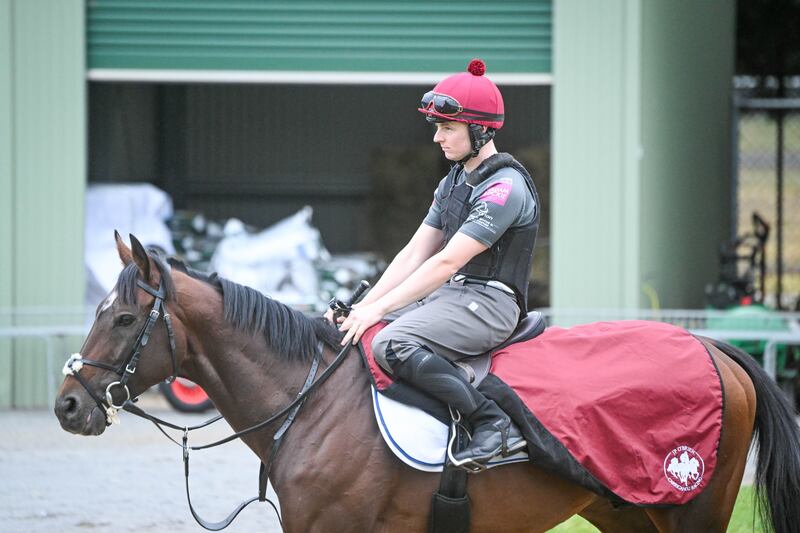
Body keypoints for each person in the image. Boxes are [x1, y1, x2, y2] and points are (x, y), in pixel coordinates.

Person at [331, 58, 540, 470]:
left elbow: (447, 261)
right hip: (455, 296)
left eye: (448, 128)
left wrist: (380, 308)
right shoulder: (452, 182)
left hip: (492, 305)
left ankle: (490, 422)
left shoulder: (504, 188)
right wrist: (366, 305)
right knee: (366, 326)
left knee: (392, 342)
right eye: (437, 128)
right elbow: (413, 253)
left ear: (479, 130)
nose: (437, 138)